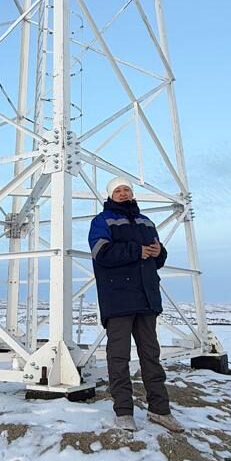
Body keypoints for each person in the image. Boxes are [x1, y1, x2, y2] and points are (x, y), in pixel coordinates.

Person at [88, 176, 185, 433]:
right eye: (118, 190)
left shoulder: (146, 222)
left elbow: (157, 257)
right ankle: (123, 412)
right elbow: (101, 253)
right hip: (118, 298)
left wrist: (158, 253)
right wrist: (136, 251)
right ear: (110, 195)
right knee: (119, 357)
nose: (123, 193)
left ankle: (160, 411)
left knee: (151, 356)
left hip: (146, 298)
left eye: (126, 189)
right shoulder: (102, 221)